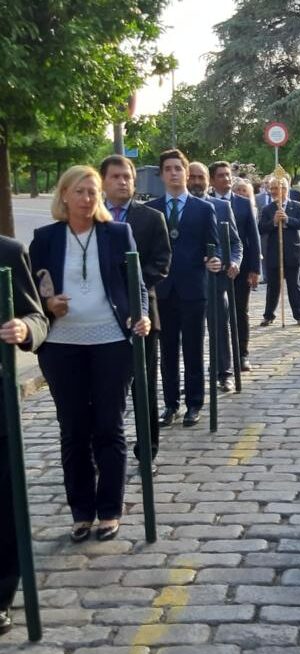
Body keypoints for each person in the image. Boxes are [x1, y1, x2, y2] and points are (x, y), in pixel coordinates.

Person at [30, 165, 151, 543]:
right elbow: (32, 295)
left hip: (110, 342)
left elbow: (137, 284)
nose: (87, 199)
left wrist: (141, 314)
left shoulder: (117, 233)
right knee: (73, 431)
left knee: (108, 426)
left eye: (92, 192)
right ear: (63, 195)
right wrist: (49, 304)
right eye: (79, 191)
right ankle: (81, 512)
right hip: (62, 346)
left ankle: (110, 510)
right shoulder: (45, 238)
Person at [99, 155, 170, 467]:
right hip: (99, 316)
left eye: (126, 176)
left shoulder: (151, 218)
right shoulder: (93, 217)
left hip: (140, 314)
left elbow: (161, 263)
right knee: (102, 392)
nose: (122, 182)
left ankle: (147, 451)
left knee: (144, 387)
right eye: (115, 177)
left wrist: (130, 288)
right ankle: (102, 452)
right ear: (103, 181)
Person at [146, 149, 222, 428]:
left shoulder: (204, 208)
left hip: (192, 288)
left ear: (186, 173)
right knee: (166, 350)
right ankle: (170, 404)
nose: (174, 173)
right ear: (162, 174)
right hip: (162, 290)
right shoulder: (152, 208)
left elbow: (215, 245)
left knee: (192, 348)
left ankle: (194, 403)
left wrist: (216, 260)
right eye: (168, 168)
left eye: (178, 168)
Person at [0, 238, 48, 636]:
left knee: (2, 500)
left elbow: (37, 317)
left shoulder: (7, 252)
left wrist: (23, 328)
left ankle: (1, 594)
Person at [187, 162, 243, 392]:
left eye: (201, 177)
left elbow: (235, 243)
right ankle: (193, 378)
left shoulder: (221, 207)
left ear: (208, 180)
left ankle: (224, 373)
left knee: (220, 327)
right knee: (191, 334)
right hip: (188, 281)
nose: (197, 182)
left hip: (216, 280)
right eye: (193, 177)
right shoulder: (176, 209)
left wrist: (233, 262)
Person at [209, 161, 262, 373]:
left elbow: (252, 235)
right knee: (218, 315)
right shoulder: (206, 202)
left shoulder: (242, 202)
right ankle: (221, 361)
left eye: (229, 175)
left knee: (240, 311)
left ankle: (242, 354)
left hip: (240, 267)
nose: (227, 179)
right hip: (214, 268)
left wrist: (255, 268)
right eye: (221, 175)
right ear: (212, 180)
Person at [258, 175, 300, 327]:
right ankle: (269, 315)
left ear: (285, 189)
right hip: (274, 253)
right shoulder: (268, 209)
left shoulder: (297, 206)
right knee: (273, 287)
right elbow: (261, 228)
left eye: (277, 188)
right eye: (272, 188)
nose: (273, 191)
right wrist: (273, 222)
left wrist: (288, 220)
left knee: (294, 287)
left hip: (292, 252)